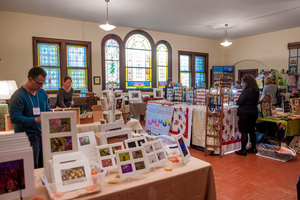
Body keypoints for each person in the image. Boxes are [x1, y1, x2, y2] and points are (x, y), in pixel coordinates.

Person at [9, 67, 51, 168]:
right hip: (27, 139)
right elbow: (14, 118)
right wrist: (35, 120)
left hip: (42, 136)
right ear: (30, 79)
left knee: (44, 165)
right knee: (31, 167)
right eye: (39, 83)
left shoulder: (42, 93)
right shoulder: (18, 96)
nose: (41, 86)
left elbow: (47, 110)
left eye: (43, 84)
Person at [235, 75, 259, 156]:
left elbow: (240, 102)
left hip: (245, 113)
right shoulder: (256, 90)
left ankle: (243, 150)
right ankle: (253, 148)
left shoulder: (246, 91)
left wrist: (236, 101)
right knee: (252, 131)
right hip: (254, 112)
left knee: (244, 131)